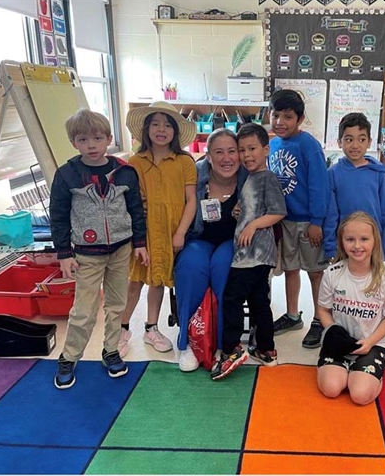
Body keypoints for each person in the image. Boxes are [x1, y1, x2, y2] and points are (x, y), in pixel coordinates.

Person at [50, 109, 149, 389]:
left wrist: (139, 242)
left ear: (108, 139)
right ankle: (69, 357)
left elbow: (135, 210)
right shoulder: (67, 175)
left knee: (117, 305)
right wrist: (64, 253)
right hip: (86, 255)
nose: (91, 145)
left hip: (120, 251)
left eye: (97, 138)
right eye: (83, 140)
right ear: (74, 143)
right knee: (84, 310)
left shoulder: (125, 172)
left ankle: (111, 350)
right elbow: (58, 215)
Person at [119, 101, 197, 357]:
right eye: (155, 124)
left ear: (175, 131)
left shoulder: (185, 161)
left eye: (167, 125)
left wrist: (180, 232)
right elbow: (131, 200)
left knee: (159, 280)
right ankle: (121, 328)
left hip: (172, 229)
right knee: (136, 280)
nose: (161, 130)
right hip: (143, 231)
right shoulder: (135, 162)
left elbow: (191, 200)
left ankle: (151, 327)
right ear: (146, 129)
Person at [211, 124, 287, 380]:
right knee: (258, 301)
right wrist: (240, 213)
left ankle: (232, 348)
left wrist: (253, 224)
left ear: (266, 149)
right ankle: (266, 349)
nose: (246, 155)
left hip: (253, 254)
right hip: (253, 254)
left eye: (252, 148)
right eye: (242, 150)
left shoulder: (268, 177)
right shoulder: (250, 177)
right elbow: (254, 207)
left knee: (232, 299)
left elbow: (278, 212)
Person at [173, 128, 247, 372]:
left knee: (223, 268)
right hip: (199, 238)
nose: (227, 158)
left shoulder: (250, 178)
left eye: (232, 151)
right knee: (190, 266)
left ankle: (221, 344)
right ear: (209, 156)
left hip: (234, 241)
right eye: (219, 152)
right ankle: (190, 342)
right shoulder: (195, 177)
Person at [268, 89, 330, 349]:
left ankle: (319, 319)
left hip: (307, 221)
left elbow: (319, 185)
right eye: (275, 115)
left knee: (315, 272)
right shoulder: (272, 144)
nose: (280, 121)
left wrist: (317, 220)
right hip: (283, 220)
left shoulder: (309, 146)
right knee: (290, 269)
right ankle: (293, 315)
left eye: (288, 116)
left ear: (300, 119)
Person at [317, 212, 385, 405]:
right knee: (331, 389)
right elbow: (323, 310)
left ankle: (376, 366)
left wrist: (370, 341)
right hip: (339, 342)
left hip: (370, 343)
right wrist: (334, 331)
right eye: (350, 239)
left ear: (374, 241)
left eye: (364, 239)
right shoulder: (333, 273)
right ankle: (344, 369)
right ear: (342, 242)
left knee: (360, 396)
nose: (357, 246)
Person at [323, 112, 385, 264]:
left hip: (372, 243)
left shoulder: (380, 173)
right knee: (344, 285)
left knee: (371, 285)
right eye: (349, 139)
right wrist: (330, 247)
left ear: (369, 142)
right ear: (339, 142)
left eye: (361, 139)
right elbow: (331, 214)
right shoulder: (332, 174)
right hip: (344, 244)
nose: (355, 145)